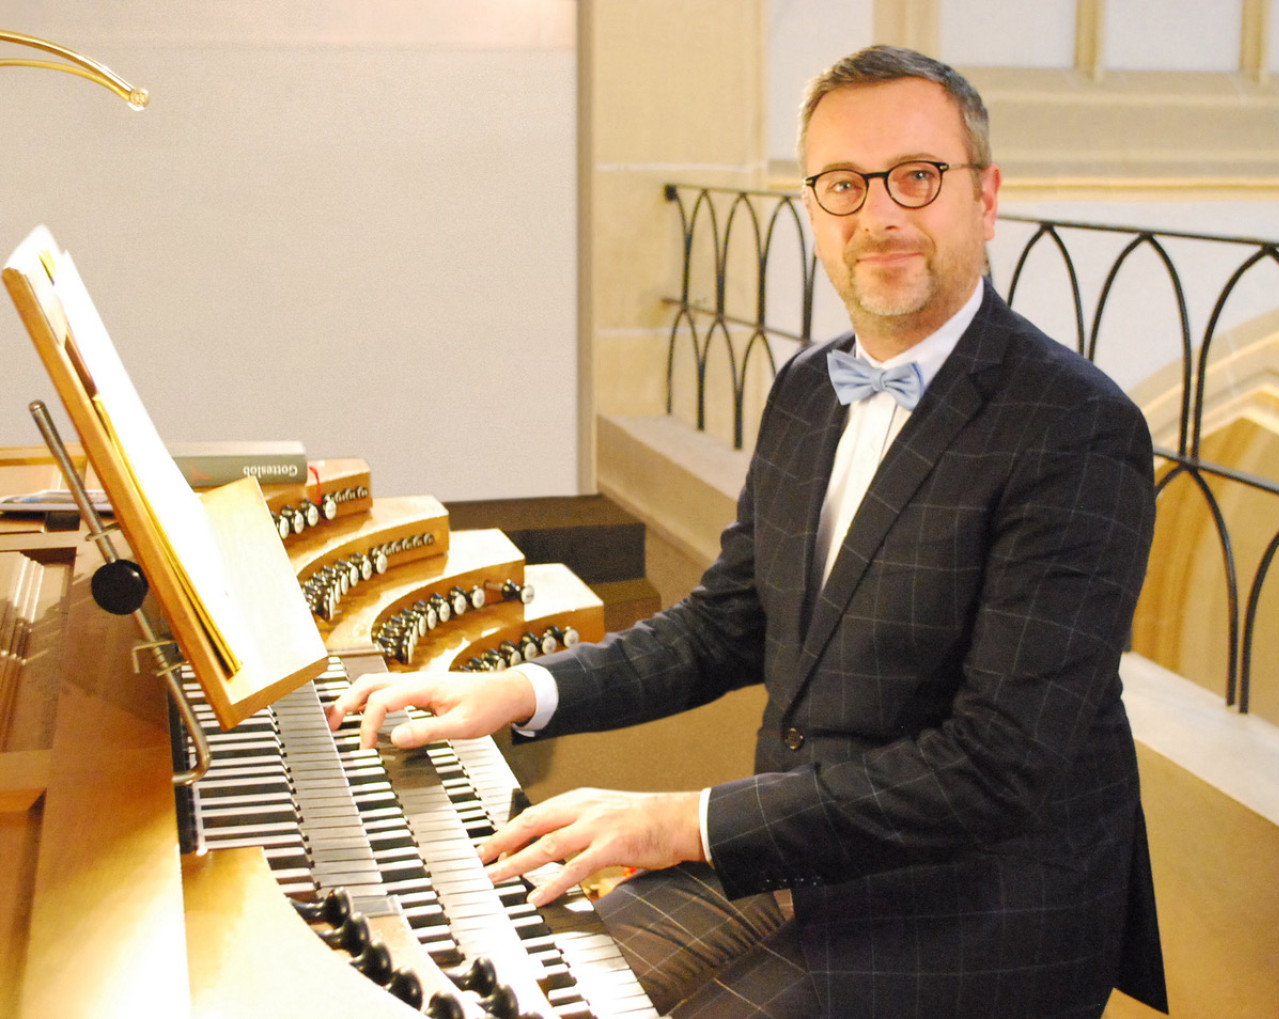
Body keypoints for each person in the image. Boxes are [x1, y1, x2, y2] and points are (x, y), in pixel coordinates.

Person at [329, 45, 1168, 1019]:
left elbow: (995, 769)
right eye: (844, 184)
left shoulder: (1076, 427)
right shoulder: (810, 389)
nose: (880, 214)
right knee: (517, 973)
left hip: (982, 900)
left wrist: (686, 820)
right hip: (801, 851)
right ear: (813, 211)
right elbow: (727, 619)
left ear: (984, 198)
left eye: (917, 176)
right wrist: (521, 688)